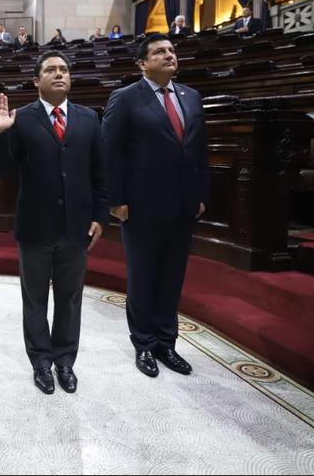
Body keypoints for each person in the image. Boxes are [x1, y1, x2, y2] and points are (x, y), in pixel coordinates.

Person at [0, 51, 108, 394]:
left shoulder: (89, 118)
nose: (59, 74)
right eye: (51, 70)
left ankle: (65, 361)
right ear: (36, 81)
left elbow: (100, 172)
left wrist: (101, 216)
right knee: (35, 300)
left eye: (64, 70)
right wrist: (0, 135)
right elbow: (3, 170)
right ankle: (41, 361)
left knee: (70, 299)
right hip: (35, 227)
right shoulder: (22, 118)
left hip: (77, 226)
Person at [101, 33, 210, 379]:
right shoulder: (126, 98)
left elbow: (199, 151)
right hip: (141, 205)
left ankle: (167, 342)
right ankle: (144, 344)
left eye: (171, 51)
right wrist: (115, 200)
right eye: (160, 52)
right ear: (142, 64)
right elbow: (109, 152)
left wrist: (200, 193)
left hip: (183, 205)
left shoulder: (191, 97)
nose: (169, 55)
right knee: (144, 277)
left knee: (172, 277)